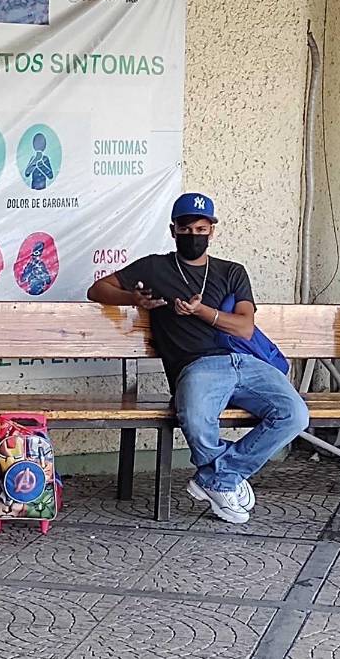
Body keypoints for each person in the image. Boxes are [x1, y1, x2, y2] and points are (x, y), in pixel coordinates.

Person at [87, 193, 309, 525]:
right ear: (173, 231)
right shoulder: (155, 267)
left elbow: (245, 327)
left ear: (212, 231)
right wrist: (133, 298)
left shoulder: (231, 271)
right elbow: (97, 289)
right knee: (195, 418)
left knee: (294, 414)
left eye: (201, 229)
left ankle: (219, 477)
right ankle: (225, 478)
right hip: (196, 365)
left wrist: (200, 311)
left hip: (245, 362)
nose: (194, 236)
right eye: (186, 229)